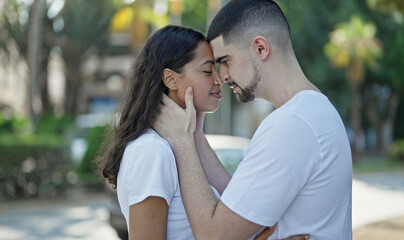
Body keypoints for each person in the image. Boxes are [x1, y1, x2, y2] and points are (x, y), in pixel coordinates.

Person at [153, 0, 353, 239]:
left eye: (225, 61)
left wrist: (181, 141)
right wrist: (195, 135)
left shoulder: (291, 124)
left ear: (260, 48)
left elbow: (213, 235)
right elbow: (240, 204)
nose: (222, 77)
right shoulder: (316, 110)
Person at [97, 25, 301, 240]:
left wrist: (194, 134)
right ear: (171, 79)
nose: (220, 79)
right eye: (207, 70)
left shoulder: (182, 144)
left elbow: (233, 212)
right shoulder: (152, 151)